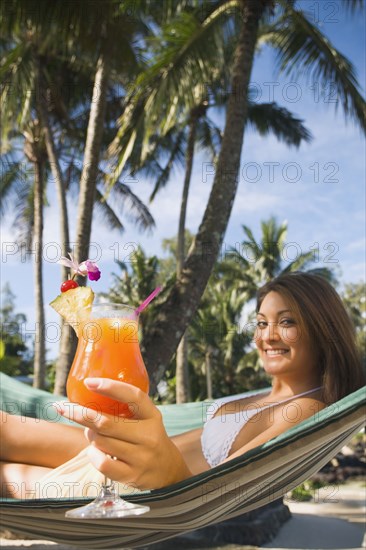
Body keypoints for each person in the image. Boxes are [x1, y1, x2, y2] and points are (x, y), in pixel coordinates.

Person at [1, 272, 364, 499]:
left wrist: (166, 475)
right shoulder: (260, 397)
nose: (267, 336)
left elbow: (214, 489)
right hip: (117, 454)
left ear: (322, 329)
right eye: (260, 322)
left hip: (134, 486)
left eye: (286, 322)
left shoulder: (307, 409)